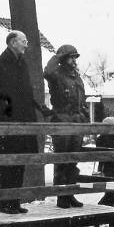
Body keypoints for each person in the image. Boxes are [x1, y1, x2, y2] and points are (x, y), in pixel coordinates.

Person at [0, 31, 47, 214]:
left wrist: (38, 108)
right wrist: (4, 121)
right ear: (12, 42)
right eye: (23, 41)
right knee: (6, 163)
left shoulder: (22, 65)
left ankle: (15, 200)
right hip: (7, 124)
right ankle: (5, 203)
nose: (26, 45)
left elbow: (26, 93)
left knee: (19, 162)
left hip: (23, 122)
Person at [43, 44, 87, 209]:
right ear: (63, 58)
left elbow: (82, 100)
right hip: (62, 119)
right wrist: (57, 55)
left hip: (77, 121)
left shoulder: (77, 77)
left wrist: (84, 118)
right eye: (71, 57)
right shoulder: (56, 75)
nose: (74, 60)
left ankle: (70, 194)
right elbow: (47, 72)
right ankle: (62, 197)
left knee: (73, 160)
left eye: (75, 57)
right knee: (62, 160)